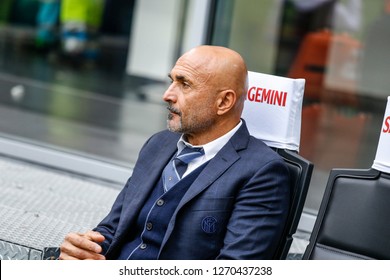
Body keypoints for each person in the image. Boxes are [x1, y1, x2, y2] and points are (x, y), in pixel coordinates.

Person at [59, 45, 290, 260]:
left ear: (224, 102)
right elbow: (114, 227)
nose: (167, 95)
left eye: (185, 84)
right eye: (172, 81)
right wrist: (84, 251)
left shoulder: (263, 172)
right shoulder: (158, 144)